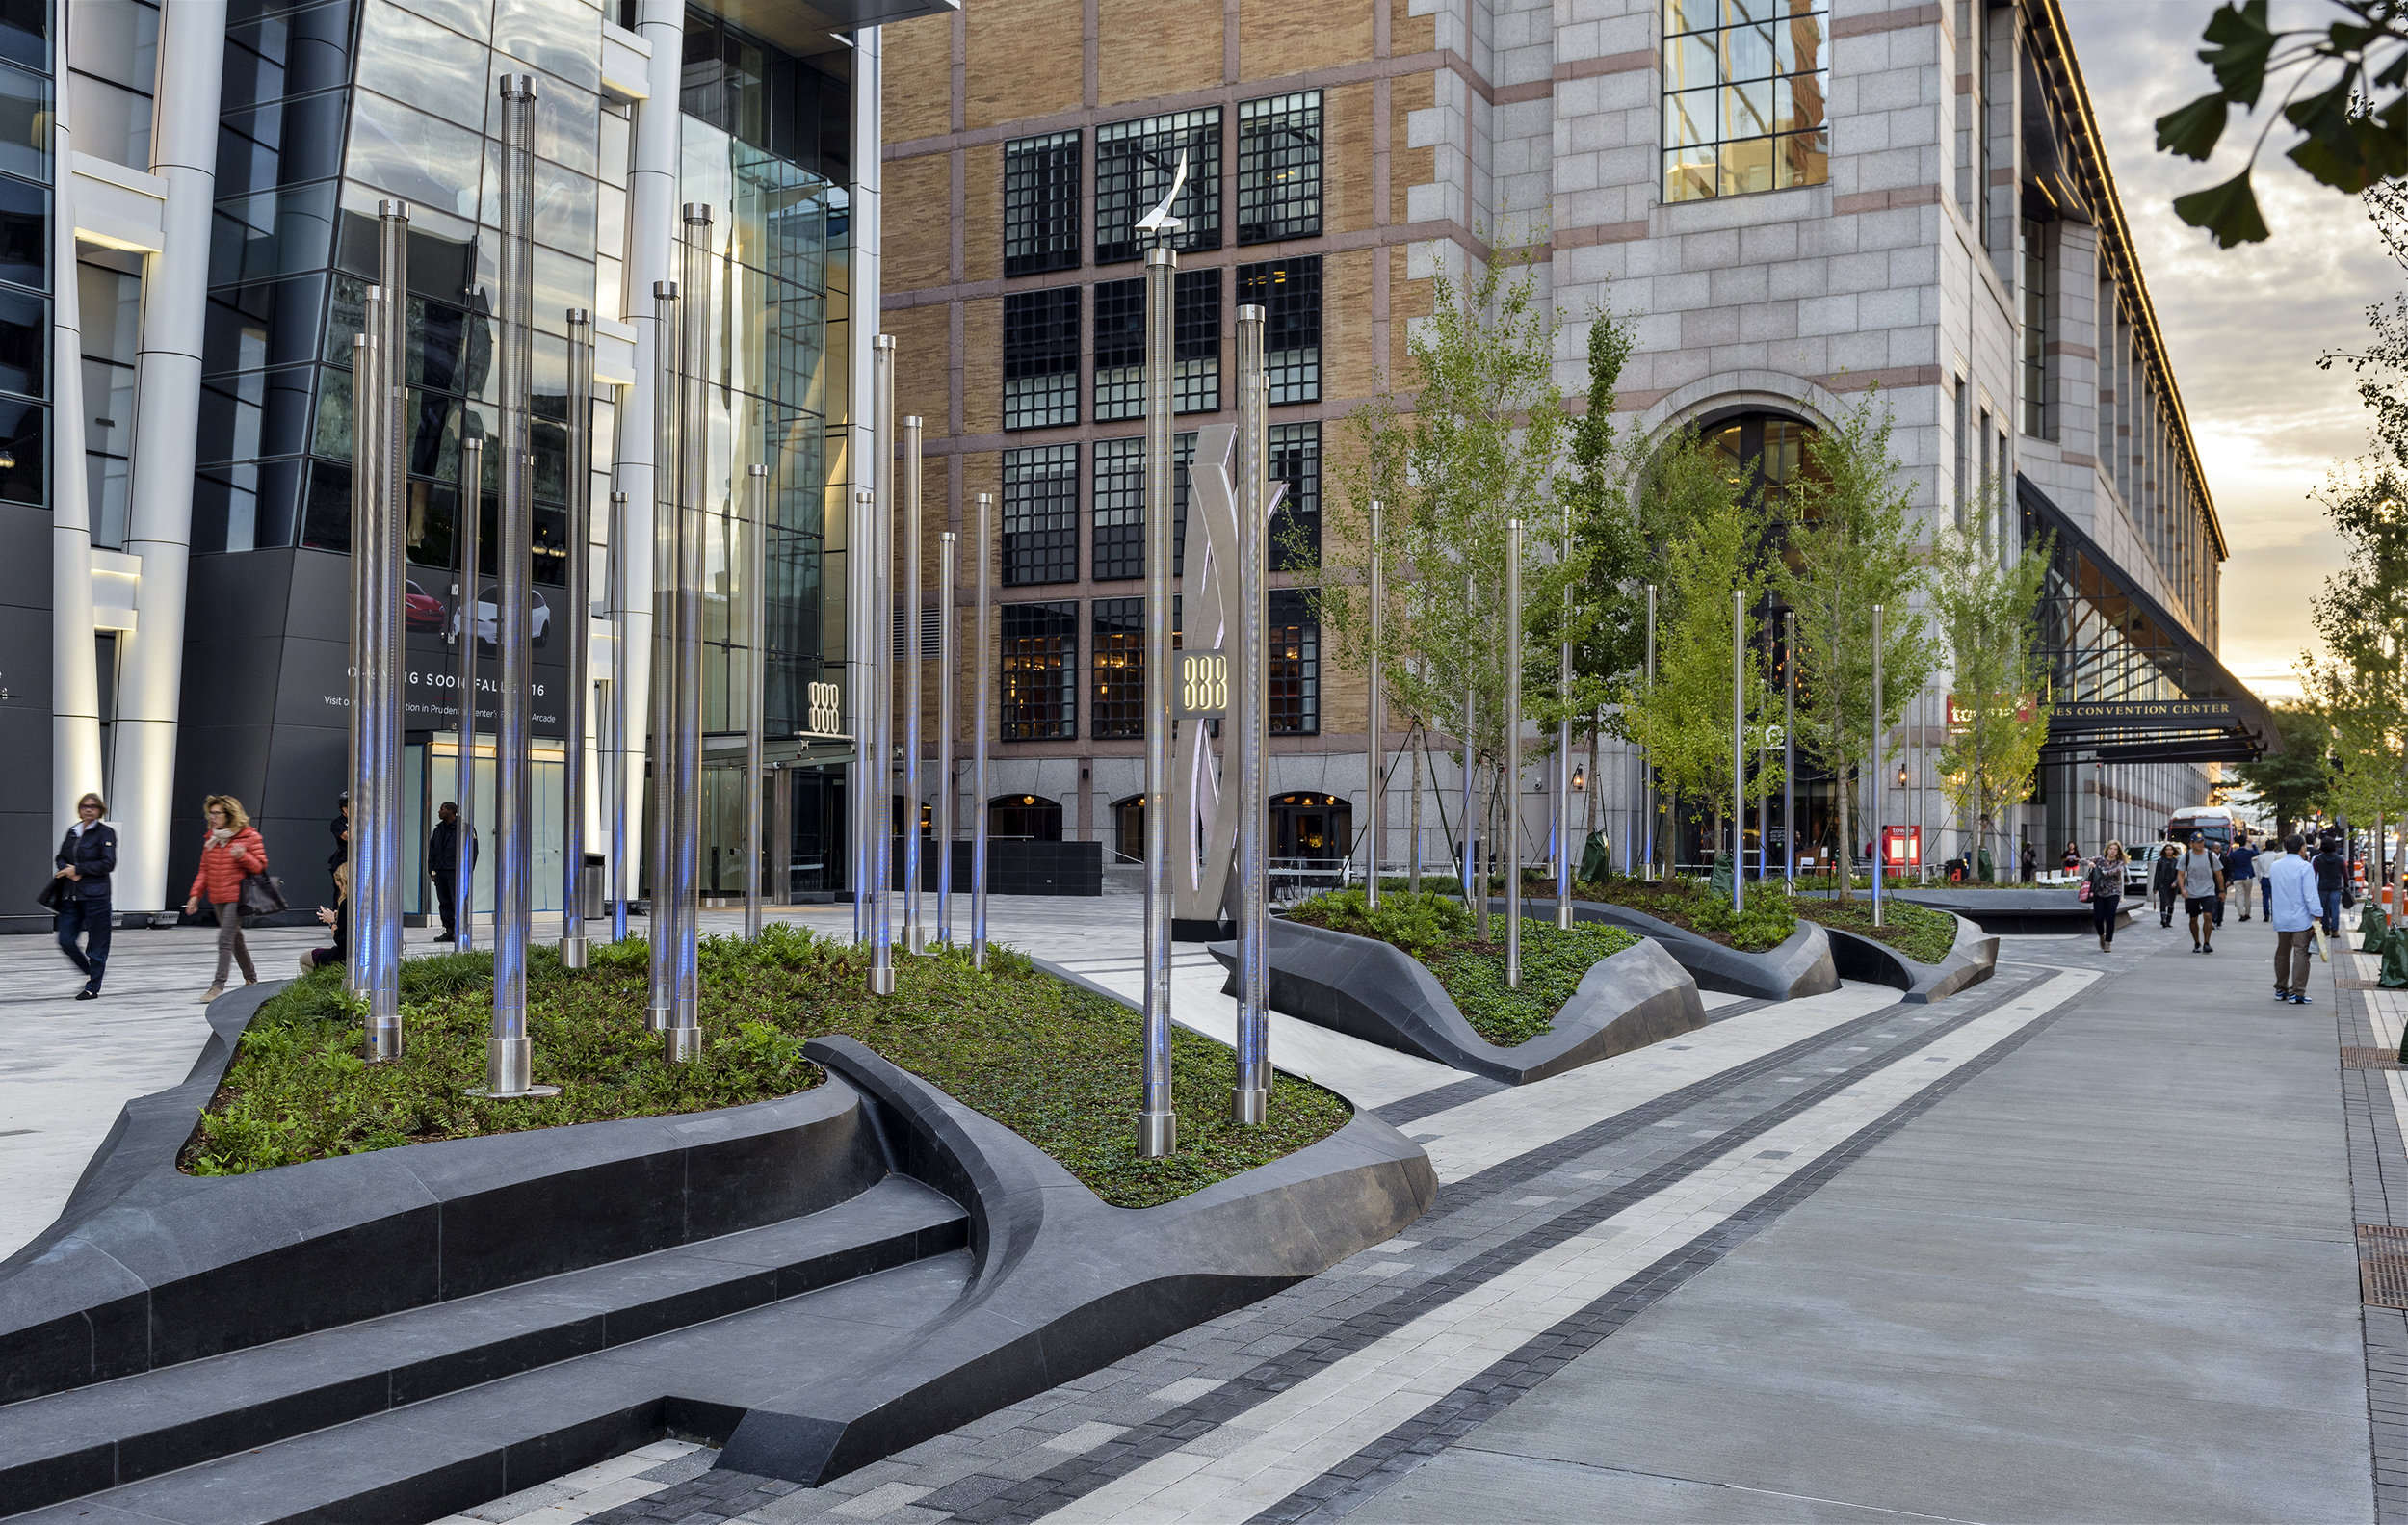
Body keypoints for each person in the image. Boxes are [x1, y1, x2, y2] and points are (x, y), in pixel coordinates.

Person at [185, 795, 267, 1003]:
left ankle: (217, 986)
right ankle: (251, 979)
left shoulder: (249, 836)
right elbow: (204, 870)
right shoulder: (212, 839)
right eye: (210, 813)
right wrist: (195, 896)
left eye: (217, 813)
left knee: (224, 940)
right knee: (235, 940)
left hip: (238, 897)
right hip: (218, 895)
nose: (212, 817)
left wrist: (243, 857)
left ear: (229, 814)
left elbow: (260, 866)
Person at [52, 791, 116, 1000]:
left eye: (93, 806)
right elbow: (61, 856)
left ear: (100, 810)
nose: (88, 809)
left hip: (96, 896)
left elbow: (108, 863)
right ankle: (90, 971)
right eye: (84, 806)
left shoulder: (105, 833)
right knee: (66, 940)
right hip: (72, 896)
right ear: (79, 810)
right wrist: (66, 868)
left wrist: (78, 870)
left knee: (97, 944)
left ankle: (92, 987)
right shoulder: (73, 831)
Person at [2267, 833, 2319, 1005]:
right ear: (2302, 848)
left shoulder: (2275, 866)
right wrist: (2317, 915)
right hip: (2301, 918)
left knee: (2282, 952)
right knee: (2301, 953)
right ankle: (2297, 992)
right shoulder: (2305, 867)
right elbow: (2310, 894)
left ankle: (2280, 988)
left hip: (2281, 916)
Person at [426, 801, 476, 943]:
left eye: (442, 809)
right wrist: (432, 872)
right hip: (441, 873)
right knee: (444, 902)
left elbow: (473, 852)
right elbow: (432, 853)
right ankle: (449, 930)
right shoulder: (438, 830)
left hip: (456, 873)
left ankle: (461, 930)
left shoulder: (464, 829)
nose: (439, 812)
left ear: (450, 811)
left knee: (458, 902)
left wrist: (466, 872)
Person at [2180, 836, 2226, 953]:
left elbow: (2219, 874)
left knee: (2207, 915)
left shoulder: (2211, 856)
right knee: (2193, 918)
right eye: (2197, 842)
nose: (2200, 844)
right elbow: (2180, 874)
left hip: (2208, 890)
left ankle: (2206, 942)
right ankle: (2197, 942)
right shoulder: (2186, 857)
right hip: (2192, 891)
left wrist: (2221, 891)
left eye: (2202, 842)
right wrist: (2182, 889)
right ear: (2191, 843)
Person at [301, 861, 349, 972]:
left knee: (305, 958)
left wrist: (332, 922)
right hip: (363, 955)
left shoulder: (347, 903)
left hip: (346, 957)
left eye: (339, 886)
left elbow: (341, 941)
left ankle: (321, 985)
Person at [2086, 842, 2127, 952]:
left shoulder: (2120, 863)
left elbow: (2111, 872)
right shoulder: (2100, 859)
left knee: (2110, 917)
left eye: (2115, 849)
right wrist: (2089, 863)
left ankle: (2108, 942)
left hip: (2113, 893)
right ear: (2107, 849)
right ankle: (2101, 935)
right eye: (2111, 848)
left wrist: (2098, 870)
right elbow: (2082, 860)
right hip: (2099, 892)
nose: (2113, 851)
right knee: (2098, 918)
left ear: (2118, 852)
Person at [2314, 834, 2350, 936]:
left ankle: (2325, 928)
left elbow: (2314, 873)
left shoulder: (2318, 859)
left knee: (2324, 908)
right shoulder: (2339, 859)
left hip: (2323, 887)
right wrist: (2346, 884)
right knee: (2335, 909)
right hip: (2336, 886)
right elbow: (2345, 873)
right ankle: (2335, 929)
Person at [2223, 836, 2260, 922]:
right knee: (2247, 895)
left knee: (2239, 896)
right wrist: (2252, 843)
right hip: (2248, 876)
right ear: (2245, 842)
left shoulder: (2234, 854)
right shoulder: (2249, 852)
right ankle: (2248, 913)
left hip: (2237, 876)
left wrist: (2231, 846)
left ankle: (2241, 914)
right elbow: (2257, 852)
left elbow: (2229, 859)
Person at [2151, 843, 2181, 928]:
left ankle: (2168, 920)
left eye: (2170, 849)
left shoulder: (2176, 861)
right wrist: (2155, 887)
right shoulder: (2160, 861)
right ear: (2164, 851)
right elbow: (2157, 874)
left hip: (2173, 885)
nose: (2169, 851)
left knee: (2171, 903)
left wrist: (2175, 882)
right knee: (2163, 901)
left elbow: (2178, 874)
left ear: (2173, 851)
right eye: (2167, 849)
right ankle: (2163, 919)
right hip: (2162, 884)